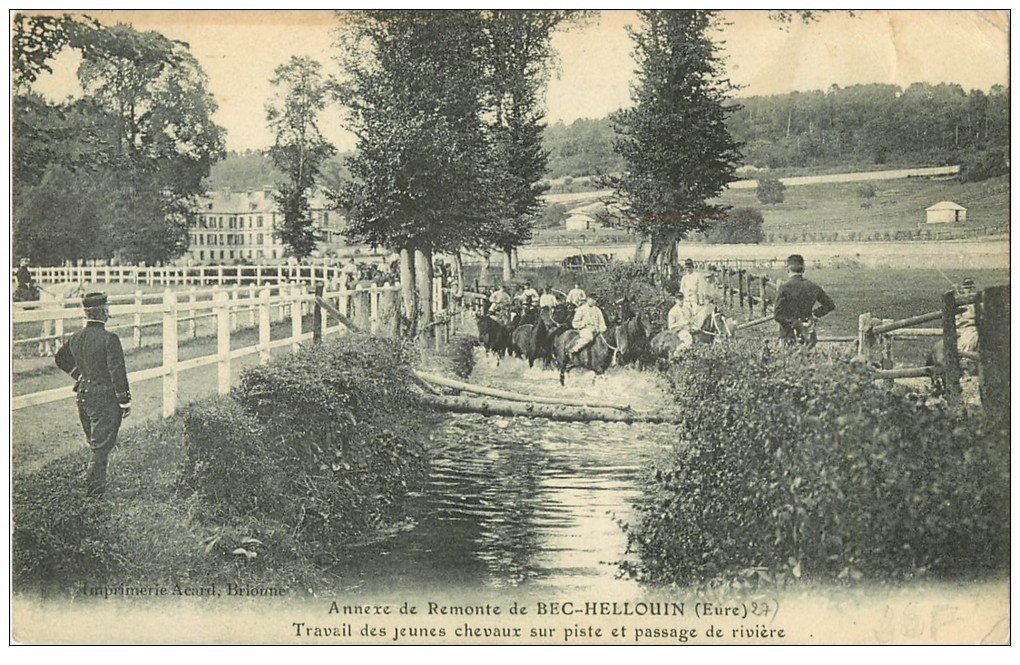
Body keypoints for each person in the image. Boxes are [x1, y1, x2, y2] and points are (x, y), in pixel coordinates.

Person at [54, 292, 131, 496]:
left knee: (96, 444)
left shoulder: (77, 337)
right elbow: (117, 372)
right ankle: (94, 493)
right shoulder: (110, 339)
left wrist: (79, 375)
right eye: (107, 308)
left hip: (83, 396)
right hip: (104, 398)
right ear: (103, 311)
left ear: (87, 313)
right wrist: (124, 400)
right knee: (101, 448)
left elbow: (60, 358)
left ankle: (95, 486)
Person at [773, 254, 835, 347]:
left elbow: (777, 315)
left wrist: (794, 322)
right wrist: (815, 314)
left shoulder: (784, 288)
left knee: (789, 355)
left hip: (789, 336)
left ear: (787, 269)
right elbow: (830, 305)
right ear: (803, 269)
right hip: (808, 333)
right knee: (808, 354)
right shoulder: (813, 286)